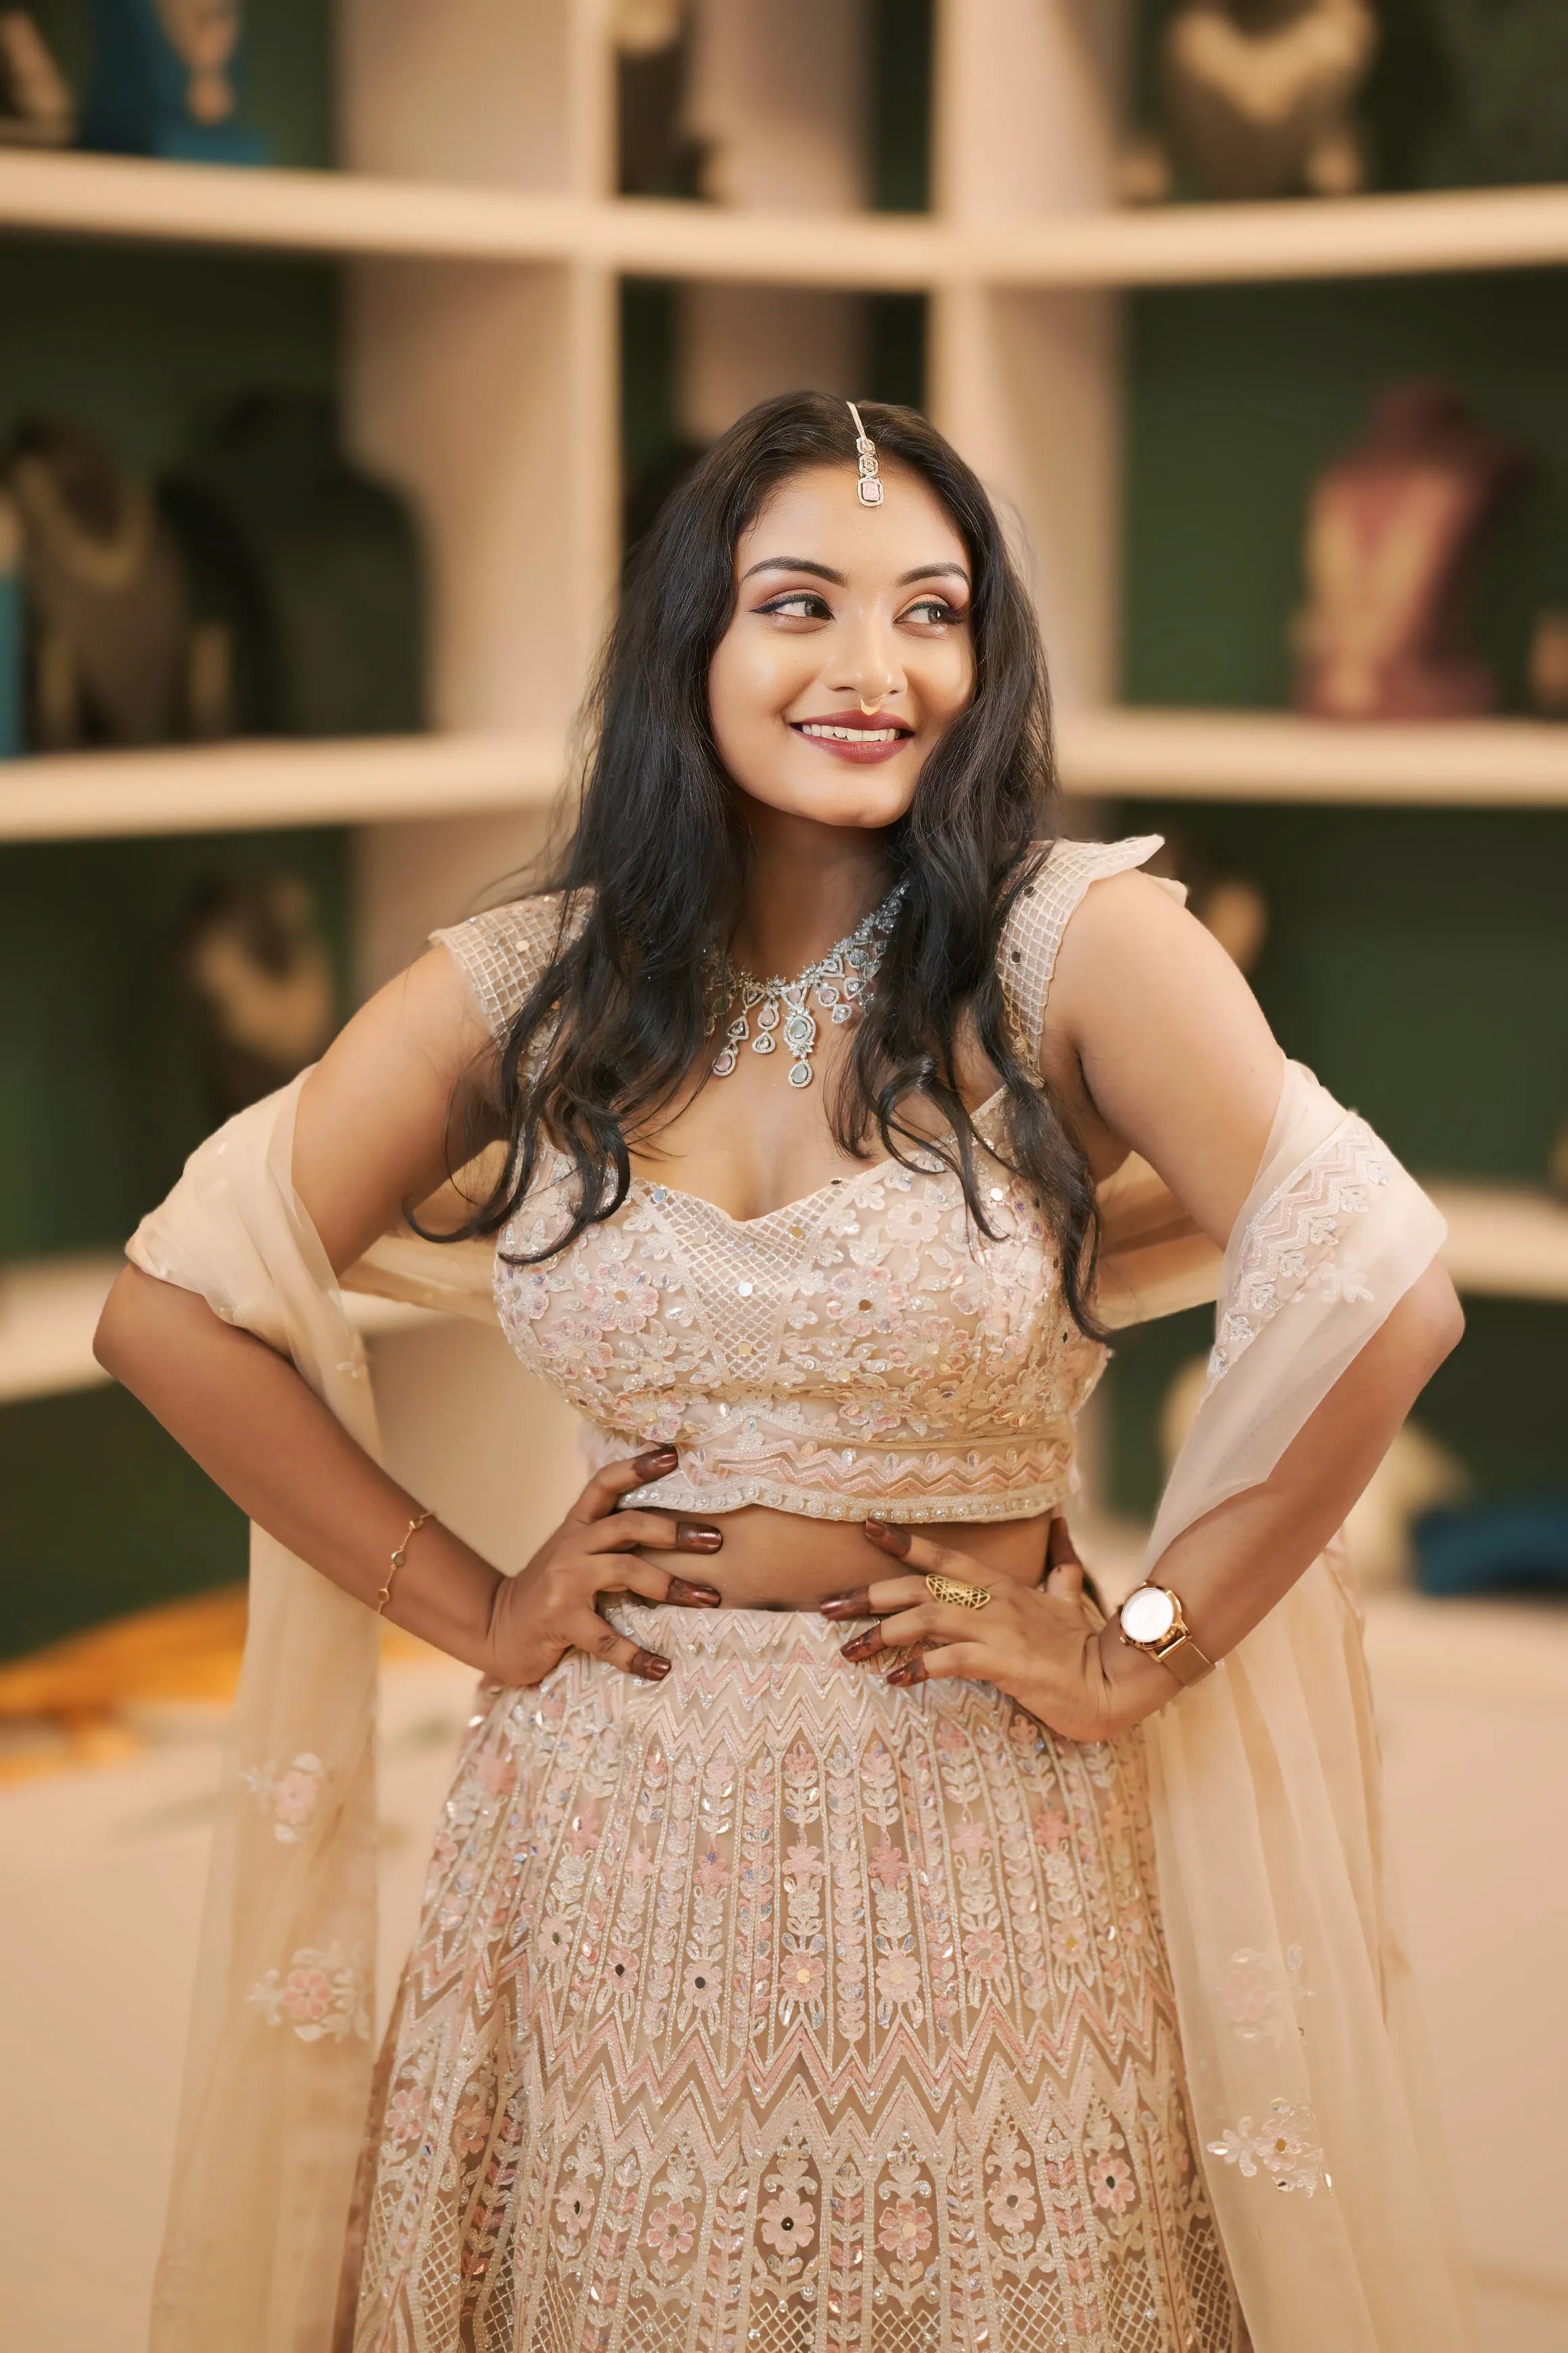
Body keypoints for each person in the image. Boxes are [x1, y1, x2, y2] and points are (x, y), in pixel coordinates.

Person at [97, 393, 1478, 2353]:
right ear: (694, 641)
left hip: (977, 1841)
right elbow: (170, 1310)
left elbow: (1385, 1290)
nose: (873, 668)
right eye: (801, 604)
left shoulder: (1073, 953)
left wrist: (1141, 1648)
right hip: (602, 1847)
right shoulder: (537, 988)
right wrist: (470, 1606)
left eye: (933, 611)